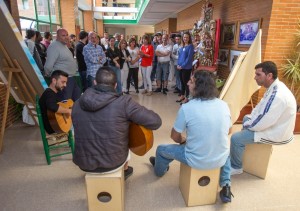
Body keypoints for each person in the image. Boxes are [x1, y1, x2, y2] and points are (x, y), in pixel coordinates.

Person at [149, 70, 232, 203]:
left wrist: (183, 141)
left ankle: (160, 169)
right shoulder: (224, 105)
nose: (188, 83)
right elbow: (229, 131)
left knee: (161, 149)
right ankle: (226, 185)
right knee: (226, 150)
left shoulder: (187, 108)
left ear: (200, 86)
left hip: (195, 159)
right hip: (219, 159)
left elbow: (174, 136)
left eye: (191, 81)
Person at [72, 66, 162, 179]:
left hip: (84, 163)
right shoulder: (124, 102)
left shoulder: (77, 103)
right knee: (125, 133)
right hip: (114, 162)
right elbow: (156, 122)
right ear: (115, 85)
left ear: (94, 82)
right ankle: (124, 170)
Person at [230, 61, 297, 176]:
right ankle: (240, 149)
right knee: (247, 118)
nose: (255, 77)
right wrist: (250, 120)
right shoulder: (274, 87)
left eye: (258, 75)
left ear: (269, 75)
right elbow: (260, 108)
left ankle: (237, 167)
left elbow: (264, 122)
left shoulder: (278, 95)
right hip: (272, 125)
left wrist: (248, 125)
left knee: (236, 138)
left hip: (276, 132)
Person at [44, 28, 81, 101]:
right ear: (57, 37)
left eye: (67, 35)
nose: (66, 37)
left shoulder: (63, 45)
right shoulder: (54, 46)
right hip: (63, 80)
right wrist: (53, 77)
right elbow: (48, 66)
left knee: (76, 100)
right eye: (63, 35)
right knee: (65, 102)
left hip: (71, 77)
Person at [39, 70, 72, 134]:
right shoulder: (49, 93)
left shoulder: (51, 93)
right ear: (54, 80)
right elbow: (52, 106)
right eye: (63, 82)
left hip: (55, 125)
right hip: (54, 128)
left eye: (66, 82)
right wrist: (68, 111)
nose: (65, 85)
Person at [177, 32, 194, 104]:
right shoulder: (182, 46)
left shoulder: (190, 46)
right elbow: (180, 57)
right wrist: (178, 65)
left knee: (186, 83)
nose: (185, 39)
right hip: (180, 67)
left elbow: (189, 58)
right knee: (182, 82)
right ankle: (182, 95)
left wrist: (182, 66)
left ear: (189, 38)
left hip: (186, 68)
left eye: (187, 37)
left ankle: (187, 98)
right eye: (184, 37)